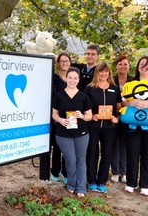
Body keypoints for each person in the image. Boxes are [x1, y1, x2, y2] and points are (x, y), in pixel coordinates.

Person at [52, 67, 92, 197]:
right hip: (63, 134)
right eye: (70, 77)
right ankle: (71, 184)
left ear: (78, 79)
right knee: (70, 159)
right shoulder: (59, 96)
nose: (72, 80)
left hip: (81, 134)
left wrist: (82, 116)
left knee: (80, 160)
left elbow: (89, 116)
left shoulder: (83, 97)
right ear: (66, 79)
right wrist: (60, 120)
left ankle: (81, 188)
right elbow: (54, 114)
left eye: (75, 78)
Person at [84, 61, 122, 193]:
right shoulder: (89, 88)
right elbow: (84, 106)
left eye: (106, 71)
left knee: (106, 154)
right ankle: (92, 181)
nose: (104, 74)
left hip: (109, 128)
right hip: (93, 126)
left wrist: (116, 118)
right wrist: (92, 115)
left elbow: (119, 108)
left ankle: (101, 181)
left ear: (109, 73)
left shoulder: (115, 88)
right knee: (92, 152)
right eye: (101, 71)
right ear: (97, 72)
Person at [123, 56, 148, 195]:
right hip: (133, 126)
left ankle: (145, 184)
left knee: (146, 155)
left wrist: (147, 104)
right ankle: (131, 183)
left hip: (147, 126)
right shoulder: (131, 83)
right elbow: (123, 101)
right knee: (132, 154)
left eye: (146, 65)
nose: (143, 67)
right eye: (141, 64)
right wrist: (131, 103)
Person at [110, 55, 133, 183]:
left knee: (125, 145)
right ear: (116, 66)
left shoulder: (133, 80)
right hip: (113, 115)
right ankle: (115, 172)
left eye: (125, 64)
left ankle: (124, 172)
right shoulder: (112, 80)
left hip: (128, 116)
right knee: (114, 144)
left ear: (129, 66)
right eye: (120, 64)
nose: (123, 66)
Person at [50, 53, 71, 183]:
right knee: (57, 146)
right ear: (58, 63)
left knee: (68, 146)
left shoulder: (73, 77)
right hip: (57, 116)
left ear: (70, 62)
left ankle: (65, 172)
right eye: (61, 61)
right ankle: (55, 171)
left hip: (71, 117)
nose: (64, 63)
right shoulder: (54, 78)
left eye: (66, 61)